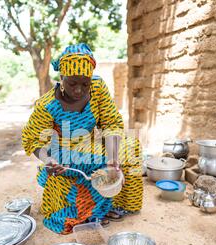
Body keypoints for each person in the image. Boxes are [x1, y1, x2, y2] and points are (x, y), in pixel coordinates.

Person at [22, 43, 143, 234]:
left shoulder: (97, 88)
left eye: (85, 83)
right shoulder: (47, 105)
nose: (79, 90)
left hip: (89, 141)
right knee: (91, 159)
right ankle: (90, 212)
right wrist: (48, 160)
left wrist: (113, 158)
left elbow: (111, 123)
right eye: (72, 83)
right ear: (62, 78)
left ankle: (115, 204)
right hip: (60, 149)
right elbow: (34, 141)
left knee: (130, 146)